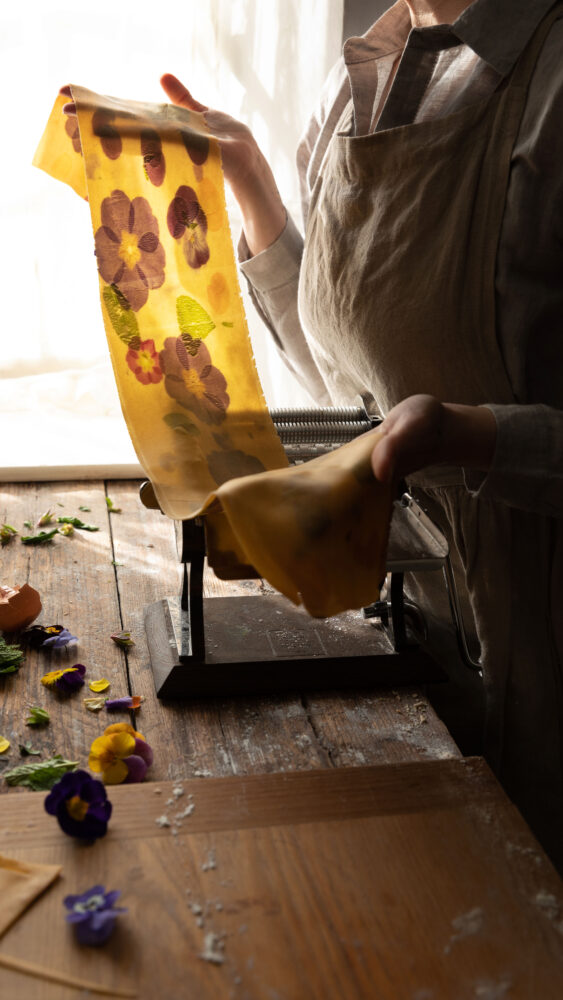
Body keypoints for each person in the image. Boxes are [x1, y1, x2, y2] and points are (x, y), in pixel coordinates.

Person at [157, 0, 563, 871]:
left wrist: (471, 434)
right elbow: (353, 371)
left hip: (542, 666)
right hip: (414, 645)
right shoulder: (367, 76)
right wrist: (254, 185)